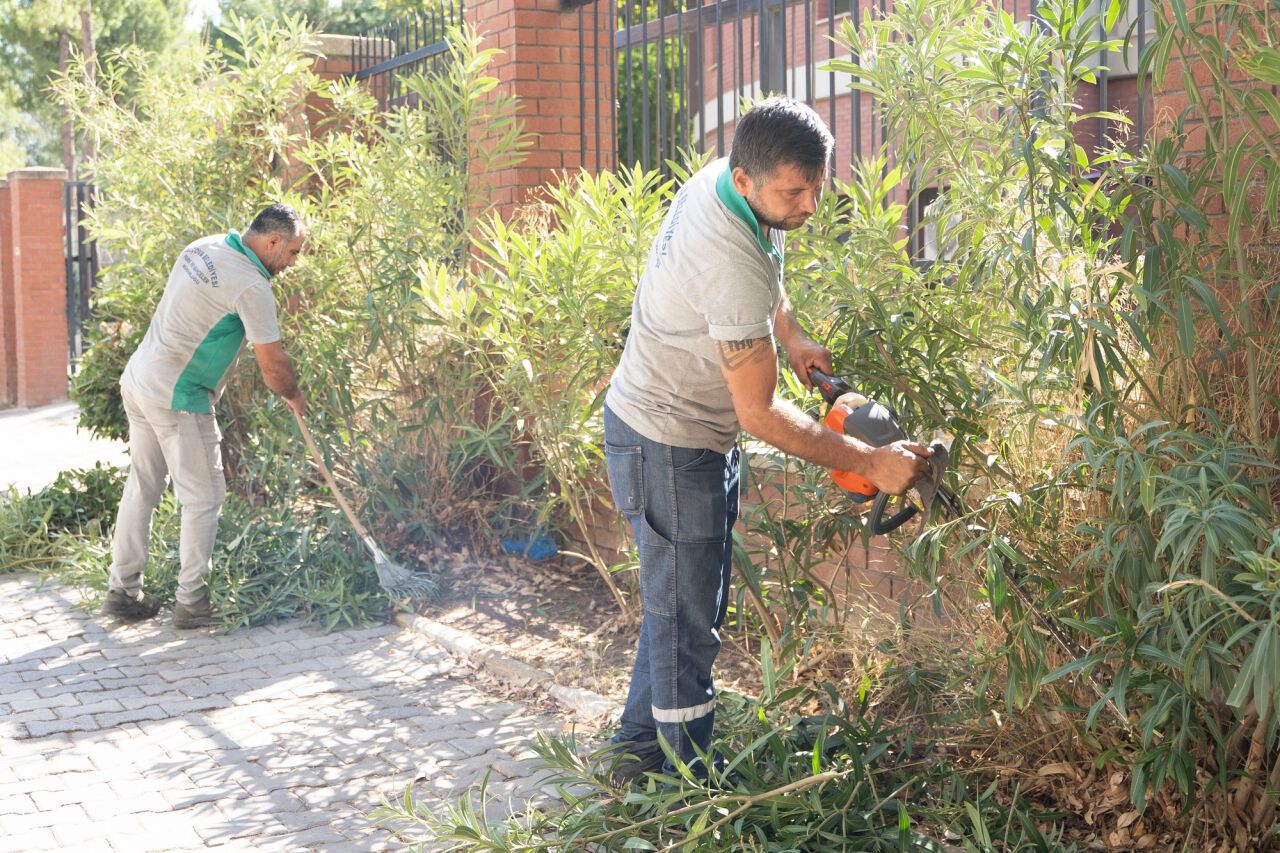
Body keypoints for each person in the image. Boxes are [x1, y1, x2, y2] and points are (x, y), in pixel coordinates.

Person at [601, 97, 933, 780]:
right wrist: (871, 461)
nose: (809, 205)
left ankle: (637, 755)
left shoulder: (733, 188)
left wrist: (793, 335)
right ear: (747, 179)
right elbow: (758, 413)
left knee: (680, 605)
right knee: (689, 620)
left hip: (687, 430)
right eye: (794, 193)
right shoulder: (725, 257)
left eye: (816, 187)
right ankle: (687, 783)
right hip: (667, 440)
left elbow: (765, 274)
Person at [101, 204, 309, 629]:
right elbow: (272, 364)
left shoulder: (204, 246)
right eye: (292, 252)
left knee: (142, 485)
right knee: (204, 498)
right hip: (178, 395)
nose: (293, 263)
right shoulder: (251, 284)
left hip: (141, 379)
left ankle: (122, 591)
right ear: (273, 241)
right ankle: (192, 601)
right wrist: (293, 393)